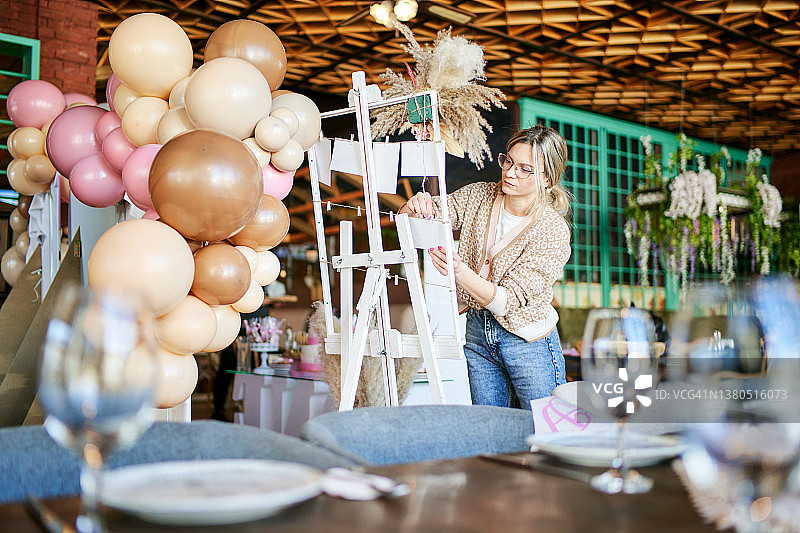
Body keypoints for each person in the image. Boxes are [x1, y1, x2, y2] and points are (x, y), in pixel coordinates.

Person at [399, 125, 572, 409]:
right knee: (491, 430)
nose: (510, 173)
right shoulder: (479, 196)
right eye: (509, 161)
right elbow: (416, 220)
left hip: (528, 340)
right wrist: (415, 205)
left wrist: (459, 271)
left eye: (525, 169)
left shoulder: (552, 230)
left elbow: (507, 302)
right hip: (479, 333)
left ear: (547, 179)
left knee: (545, 429)